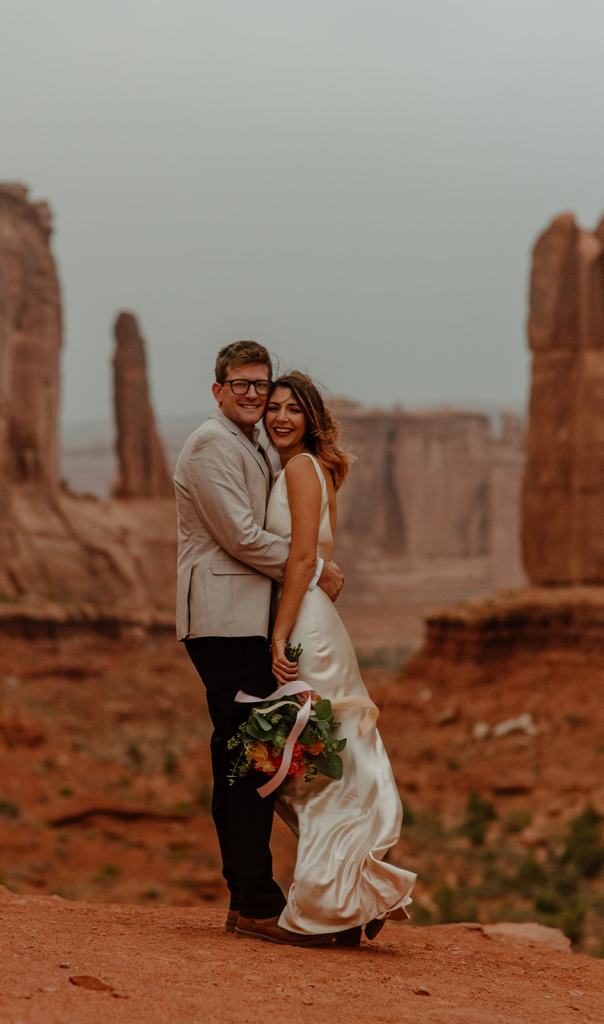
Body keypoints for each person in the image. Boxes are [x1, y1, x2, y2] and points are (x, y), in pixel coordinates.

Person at [173, 342, 344, 946]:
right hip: (223, 624)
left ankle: (249, 899)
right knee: (251, 766)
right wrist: (315, 568)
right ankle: (257, 906)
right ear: (217, 389)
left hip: (242, 622)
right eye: (240, 384)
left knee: (241, 764)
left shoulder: (253, 444)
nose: (252, 394)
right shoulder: (211, 445)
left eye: (260, 385)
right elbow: (243, 538)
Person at [260, 371, 416, 945]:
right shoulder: (314, 469)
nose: (279, 417)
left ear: (311, 419)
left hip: (303, 623)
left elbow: (303, 560)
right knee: (316, 761)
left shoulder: (301, 469)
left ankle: (327, 909)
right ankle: (352, 893)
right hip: (315, 619)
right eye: (272, 407)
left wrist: (278, 637)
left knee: (311, 764)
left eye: (292, 410)